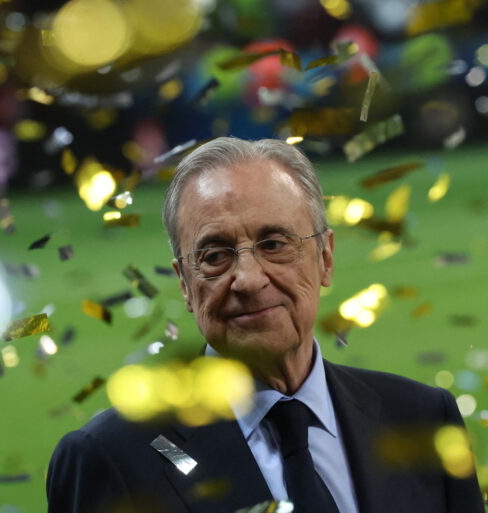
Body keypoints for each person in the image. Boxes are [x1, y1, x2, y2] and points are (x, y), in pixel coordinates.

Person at [46, 137, 484, 513]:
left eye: (274, 244)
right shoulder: (110, 456)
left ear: (325, 258)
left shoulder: (423, 418)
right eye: (214, 255)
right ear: (184, 282)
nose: (249, 280)